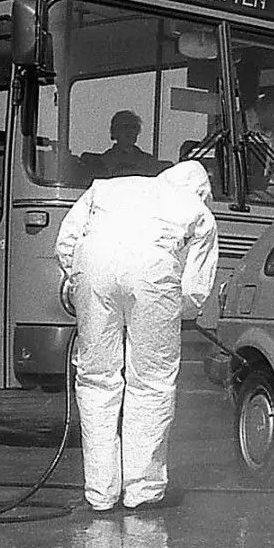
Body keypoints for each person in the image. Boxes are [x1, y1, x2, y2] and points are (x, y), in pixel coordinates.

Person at [55, 161, 219, 512]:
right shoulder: (197, 209)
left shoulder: (108, 187)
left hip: (93, 263)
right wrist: (175, 312)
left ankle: (100, 493)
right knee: (152, 382)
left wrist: (77, 279)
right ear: (202, 191)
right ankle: (141, 490)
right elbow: (193, 289)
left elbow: (66, 241)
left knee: (97, 380)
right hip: (153, 272)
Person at [82, 110, 166, 178]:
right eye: (125, 127)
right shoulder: (103, 162)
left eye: (134, 127)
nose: (130, 131)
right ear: (114, 132)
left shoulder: (149, 161)